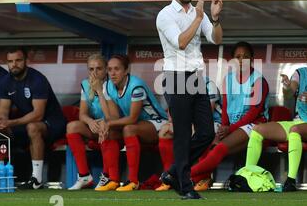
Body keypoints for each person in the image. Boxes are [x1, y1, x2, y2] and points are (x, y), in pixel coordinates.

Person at [156, 0, 223, 199]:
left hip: (196, 78)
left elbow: (216, 39)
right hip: (176, 77)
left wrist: (214, 18)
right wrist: (198, 18)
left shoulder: (199, 13)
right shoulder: (165, 15)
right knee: (183, 134)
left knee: (206, 132)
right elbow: (181, 42)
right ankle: (185, 187)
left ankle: (173, 173)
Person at [245, 40, 307, 192]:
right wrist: (287, 86)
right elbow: (289, 93)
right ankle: (248, 175)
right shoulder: (300, 73)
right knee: (257, 130)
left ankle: (290, 180)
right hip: (298, 121)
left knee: (295, 130)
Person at [190, 41, 270, 192]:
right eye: (238, 56)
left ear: (252, 59)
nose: (241, 60)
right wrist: (223, 128)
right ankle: (202, 180)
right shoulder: (228, 79)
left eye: (245, 57)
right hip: (232, 126)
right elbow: (226, 107)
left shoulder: (259, 80)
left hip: (255, 125)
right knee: (208, 141)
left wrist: (230, 129)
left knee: (219, 148)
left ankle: (184, 174)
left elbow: (253, 113)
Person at [0, 47, 67, 189]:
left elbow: (38, 114)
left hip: (53, 123)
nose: (14, 64)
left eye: (18, 60)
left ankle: (36, 180)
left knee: (33, 127)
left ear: (26, 61)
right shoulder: (5, 81)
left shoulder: (37, 79)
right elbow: (3, 109)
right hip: (26, 124)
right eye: (10, 61)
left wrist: (11, 123)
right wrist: (0, 122)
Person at [96, 54, 168, 192]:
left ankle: (133, 181)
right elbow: (114, 117)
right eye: (109, 69)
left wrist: (109, 124)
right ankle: (113, 179)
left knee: (128, 129)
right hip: (137, 125)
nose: (112, 73)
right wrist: (105, 125)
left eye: (116, 69)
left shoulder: (136, 85)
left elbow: (132, 119)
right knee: (109, 132)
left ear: (126, 70)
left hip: (157, 123)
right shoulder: (108, 86)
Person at [65, 54, 122, 190]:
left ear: (106, 70)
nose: (94, 73)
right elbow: (82, 114)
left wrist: (98, 89)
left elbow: (113, 118)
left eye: (99, 69)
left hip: (116, 127)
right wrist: (89, 121)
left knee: (105, 127)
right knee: (72, 127)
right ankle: (84, 175)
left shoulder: (112, 84)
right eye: (91, 69)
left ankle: (107, 176)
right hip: (97, 125)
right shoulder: (85, 84)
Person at [155, 77, 222, 191]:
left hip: (214, 122)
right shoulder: (173, 84)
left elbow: (206, 114)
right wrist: (173, 123)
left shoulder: (207, 84)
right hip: (187, 121)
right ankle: (169, 177)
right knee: (164, 132)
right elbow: (172, 110)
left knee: (200, 132)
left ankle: (201, 178)